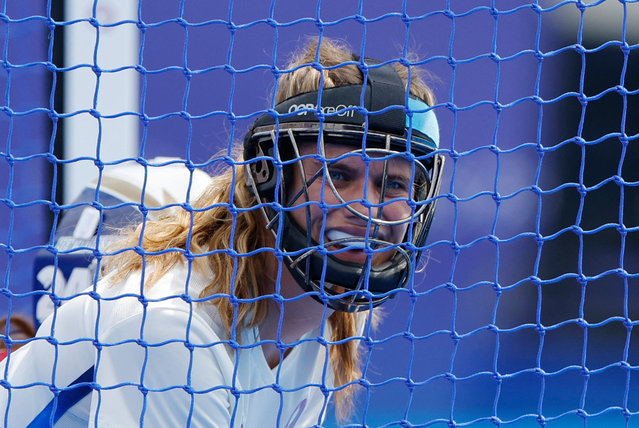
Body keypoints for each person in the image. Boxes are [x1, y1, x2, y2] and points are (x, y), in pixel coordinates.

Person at [0, 37, 444, 427]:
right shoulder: (171, 327)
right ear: (274, 178)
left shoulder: (332, 318)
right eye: (337, 176)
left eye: (393, 184)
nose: (365, 207)